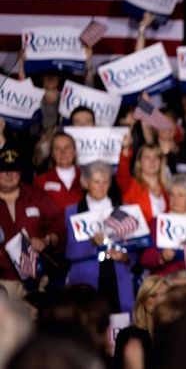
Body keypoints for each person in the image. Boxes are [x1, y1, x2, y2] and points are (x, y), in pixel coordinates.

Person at [65, 161, 136, 314]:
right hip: (87, 276)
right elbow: (70, 251)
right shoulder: (73, 211)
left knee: (120, 325)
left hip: (117, 276)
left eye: (105, 182)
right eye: (96, 182)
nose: (101, 186)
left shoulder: (123, 209)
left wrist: (125, 257)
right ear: (85, 183)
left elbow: (134, 247)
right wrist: (91, 242)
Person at [0, 149, 65, 297]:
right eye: (4, 170)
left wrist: (46, 241)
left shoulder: (36, 195)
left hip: (35, 280)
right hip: (2, 282)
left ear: (21, 172)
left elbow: (59, 227)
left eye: (14, 170)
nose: (9, 175)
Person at [117, 142, 169, 225]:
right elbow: (122, 172)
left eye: (156, 157)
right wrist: (126, 149)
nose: (152, 161)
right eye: (147, 157)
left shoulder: (166, 188)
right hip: (139, 236)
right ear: (140, 163)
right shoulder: (130, 185)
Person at [33, 132, 84, 213]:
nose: (63, 152)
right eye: (57, 148)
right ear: (52, 154)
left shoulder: (86, 179)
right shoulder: (41, 181)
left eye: (67, 147)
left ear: (74, 152)